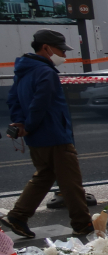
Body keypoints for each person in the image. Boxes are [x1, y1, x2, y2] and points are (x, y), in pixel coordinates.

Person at [2, 30, 92, 238]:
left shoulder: (23, 69)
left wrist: (21, 124)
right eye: (61, 50)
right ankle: (83, 224)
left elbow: (13, 99)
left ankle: (18, 215)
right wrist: (30, 124)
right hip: (54, 134)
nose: (64, 55)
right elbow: (40, 104)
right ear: (46, 48)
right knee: (71, 181)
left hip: (36, 137)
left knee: (44, 175)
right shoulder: (46, 72)